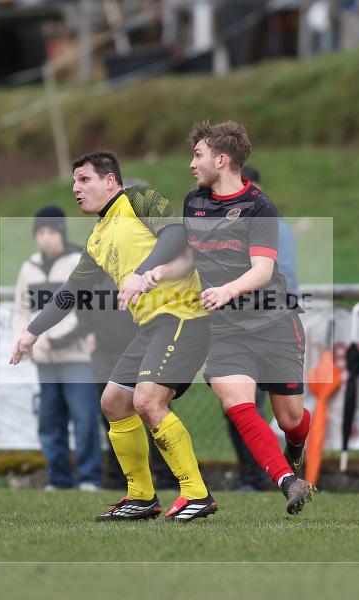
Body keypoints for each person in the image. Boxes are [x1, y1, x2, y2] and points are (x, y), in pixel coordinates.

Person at [11, 151, 216, 522]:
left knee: (148, 400)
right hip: (152, 326)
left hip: (184, 315)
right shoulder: (97, 238)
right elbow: (70, 292)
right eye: (74, 182)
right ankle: (141, 497)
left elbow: (175, 234)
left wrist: (141, 273)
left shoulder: (139, 198)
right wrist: (31, 331)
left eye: (84, 179)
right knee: (114, 402)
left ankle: (196, 494)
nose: (76, 188)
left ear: (109, 181)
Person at [143, 121, 312, 515]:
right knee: (235, 399)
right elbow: (190, 257)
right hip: (227, 328)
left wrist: (227, 290)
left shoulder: (260, 207)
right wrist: (161, 272)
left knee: (290, 418)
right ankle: (289, 482)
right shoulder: (194, 202)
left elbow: (262, 271)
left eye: (197, 155)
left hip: (274, 323)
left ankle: (296, 445)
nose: (191, 164)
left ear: (221, 159)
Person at [13, 206, 102, 491]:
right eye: (40, 232)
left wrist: (57, 339)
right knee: (50, 422)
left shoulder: (78, 262)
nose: (45, 237)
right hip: (44, 360)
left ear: (61, 232)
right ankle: (59, 480)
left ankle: (89, 478)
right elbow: (22, 311)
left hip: (77, 357)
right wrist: (23, 341)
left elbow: (88, 312)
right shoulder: (28, 268)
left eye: (51, 231)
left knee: (84, 418)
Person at [228, 165, 298, 492]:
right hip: (239, 328)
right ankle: (257, 476)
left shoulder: (270, 225)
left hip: (270, 326)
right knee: (239, 405)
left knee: (286, 415)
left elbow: (282, 278)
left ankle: (263, 473)